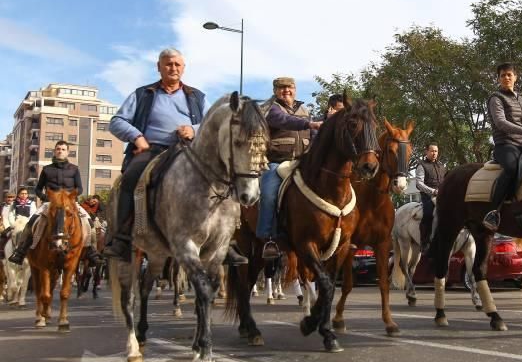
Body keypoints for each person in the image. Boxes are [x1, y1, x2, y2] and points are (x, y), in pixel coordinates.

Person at [102, 48, 232, 264]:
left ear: (183, 68)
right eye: (168, 64)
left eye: (177, 65)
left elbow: (213, 123)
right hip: (152, 149)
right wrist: (137, 137)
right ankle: (122, 238)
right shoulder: (142, 94)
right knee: (131, 177)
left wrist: (193, 128)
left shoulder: (197, 96)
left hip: (189, 150)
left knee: (224, 176)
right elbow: (116, 122)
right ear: (159, 67)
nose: (173, 68)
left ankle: (226, 240)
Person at [257, 77, 322, 259]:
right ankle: (268, 238)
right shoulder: (271, 108)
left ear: (295, 89)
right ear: (275, 91)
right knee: (269, 194)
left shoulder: (304, 109)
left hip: (303, 163)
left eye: (289, 87)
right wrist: (309, 123)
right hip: (277, 162)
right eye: (281, 88)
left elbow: (314, 134)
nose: (286, 90)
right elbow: (283, 121)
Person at [7, 142, 101, 265]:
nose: (60, 151)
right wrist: (46, 197)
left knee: (89, 224)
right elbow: (38, 189)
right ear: (54, 151)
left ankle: (92, 252)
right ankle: (21, 251)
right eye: (58, 149)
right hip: (50, 204)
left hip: (70, 204)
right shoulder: (46, 169)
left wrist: (70, 197)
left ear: (67, 152)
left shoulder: (74, 169)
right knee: (31, 223)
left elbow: (80, 188)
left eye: (63, 149)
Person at [483, 63, 522, 231]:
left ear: (515, 77)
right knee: (511, 168)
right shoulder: (496, 98)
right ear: (498, 79)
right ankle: (493, 212)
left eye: (509, 75)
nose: (506, 78)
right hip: (505, 144)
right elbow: (500, 122)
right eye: (503, 75)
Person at [415, 143, 446, 252]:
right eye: (432, 151)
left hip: (442, 195)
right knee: (428, 214)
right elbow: (419, 183)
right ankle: (424, 242)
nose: (434, 153)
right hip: (428, 196)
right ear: (426, 152)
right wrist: (433, 191)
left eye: (436, 151)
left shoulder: (442, 166)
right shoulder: (421, 165)